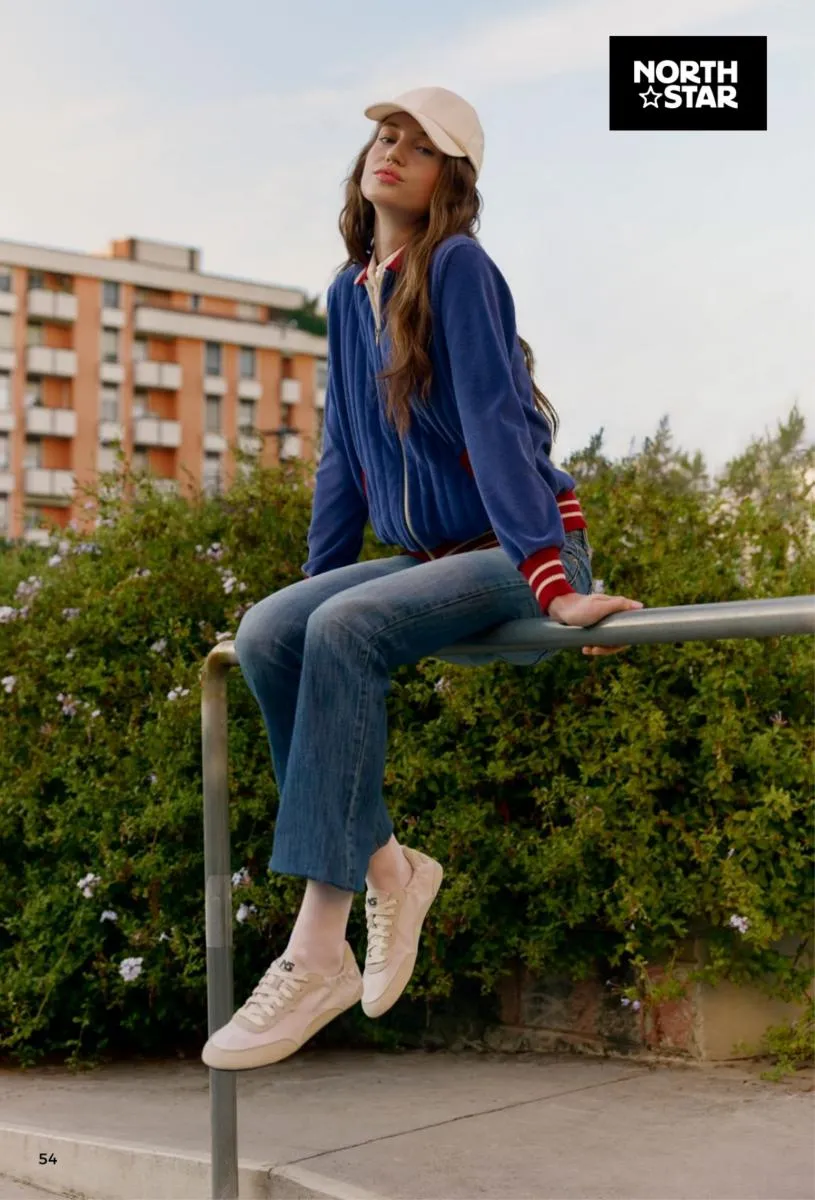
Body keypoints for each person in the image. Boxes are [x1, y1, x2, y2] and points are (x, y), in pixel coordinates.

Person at [201, 86, 644, 1072]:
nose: (390, 151)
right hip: (427, 560)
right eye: (383, 135)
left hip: (519, 551)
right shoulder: (349, 292)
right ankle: (391, 870)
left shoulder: (457, 267)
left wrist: (551, 582)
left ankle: (317, 949)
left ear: (451, 176)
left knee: (344, 630)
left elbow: (493, 420)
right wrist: (317, 585)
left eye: (418, 144)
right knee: (273, 630)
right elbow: (342, 453)